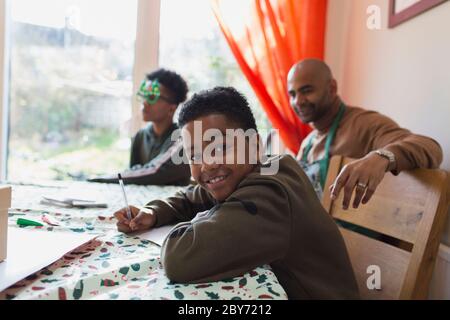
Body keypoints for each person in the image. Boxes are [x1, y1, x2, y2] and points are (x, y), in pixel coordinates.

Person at [113, 87, 360, 299]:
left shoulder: (271, 193)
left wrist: (202, 219)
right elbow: (192, 196)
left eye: (220, 147)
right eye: (195, 155)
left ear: (254, 145)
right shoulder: (250, 171)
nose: (207, 164)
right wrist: (152, 213)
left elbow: (180, 258)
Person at [287, 59, 443, 208]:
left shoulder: (365, 124)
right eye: (292, 94)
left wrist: (381, 157)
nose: (298, 101)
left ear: (332, 88)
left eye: (307, 90)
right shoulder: (308, 142)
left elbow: (431, 148)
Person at [89, 68, 191, 186]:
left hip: (169, 204)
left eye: (152, 97)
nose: (145, 102)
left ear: (171, 109)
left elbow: (155, 172)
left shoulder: (181, 138)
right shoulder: (140, 136)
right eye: (144, 96)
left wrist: (99, 179)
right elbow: (134, 177)